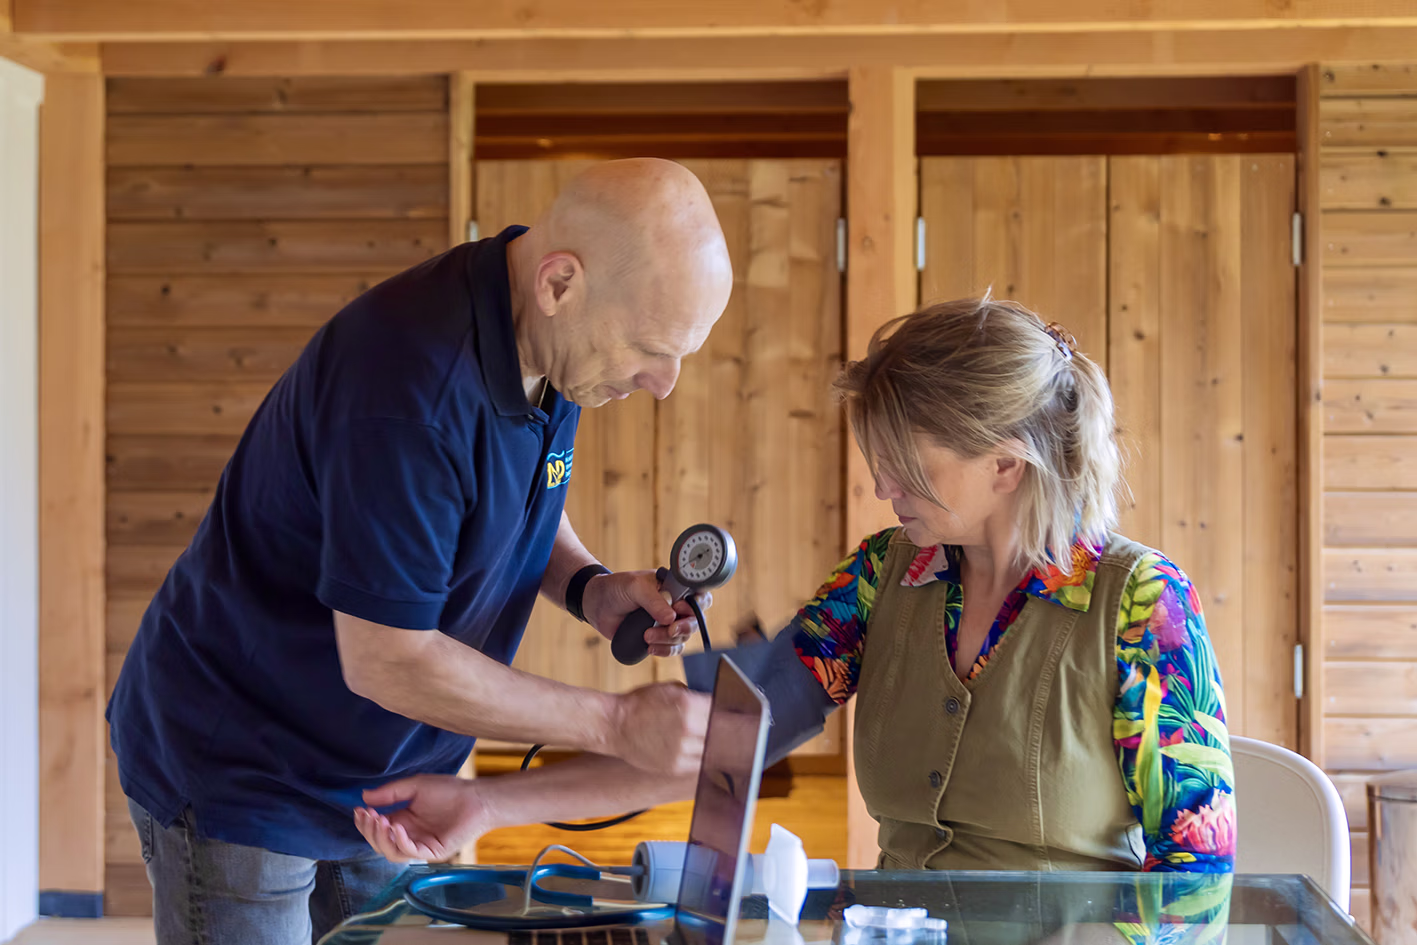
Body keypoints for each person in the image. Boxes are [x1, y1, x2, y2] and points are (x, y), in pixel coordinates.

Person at [355, 296, 1236, 877]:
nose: (882, 489)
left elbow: (1195, 881)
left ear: (1005, 463)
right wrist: (486, 803)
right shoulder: (881, 577)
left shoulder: (1140, 605)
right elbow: (716, 744)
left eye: (904, 466)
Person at [106, 158, 735, 945]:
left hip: (388, 771)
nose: (664, 383)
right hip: (247, 760)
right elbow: (385, 659)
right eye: (650, 347)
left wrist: (590, 587)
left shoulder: (545, 337)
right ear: (560, 281)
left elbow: (516, 483)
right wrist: (613, 722)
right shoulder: (407, 390)